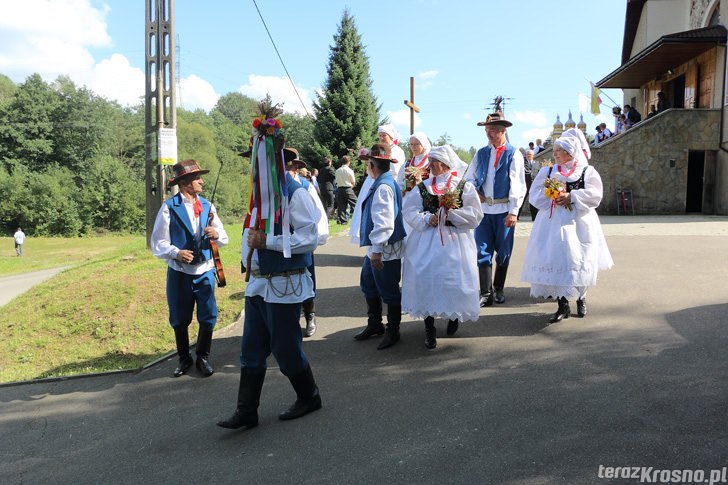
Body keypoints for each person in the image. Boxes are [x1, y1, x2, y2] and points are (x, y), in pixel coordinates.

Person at [217, 121, 322, 430]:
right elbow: (249, 235)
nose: (254, 165)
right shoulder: (258, 196)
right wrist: (247, 261)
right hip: (260, 284)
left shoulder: (294, 192)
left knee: (286, 349)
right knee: (251, 348)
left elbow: (311, 238)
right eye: (252, 159)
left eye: (258, 158)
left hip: (285, 283)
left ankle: (310, 396)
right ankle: (247, 410)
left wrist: (270, 243)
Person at [521, 128, 614, 324]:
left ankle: (581, 297)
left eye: (558, 151)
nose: (554, 154)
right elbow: (535, 194)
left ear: (570, 152)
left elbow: (595, 195)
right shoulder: (548, 171)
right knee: (557, 259)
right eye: (554, 150)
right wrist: (552, 197)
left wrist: (572, 196)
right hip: (552, 223)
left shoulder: (587, 171)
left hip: (579, 223)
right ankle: (562, 304)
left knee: (578, 258)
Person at [151, 159, 229, 378]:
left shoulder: (207, 206)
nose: (201, 182)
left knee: (208, 314)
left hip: (204, 270)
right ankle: (184, 358)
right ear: (185, 183)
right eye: (197, 179)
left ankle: (203, 357)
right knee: (179, 316)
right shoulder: (169, 208)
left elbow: (222, 235)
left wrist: (216, 235)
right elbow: (158, 241)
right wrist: (176, 253)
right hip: (180, 273)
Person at [401, 145, 483, 349]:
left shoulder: (463, 187)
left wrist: (452, 215)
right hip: (426, 242)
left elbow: (475, 215)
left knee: (453, 279)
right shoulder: (422, 187)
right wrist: (427, 218)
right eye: (432, 163)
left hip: (455, 242)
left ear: (447, 165)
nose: (435, 167)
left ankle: (453, 315)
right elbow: (409, 211)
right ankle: (429, 328)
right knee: (427, 280)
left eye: (438, 164)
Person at [464, 111, 526, 307]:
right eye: (487, 130)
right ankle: (485, 292)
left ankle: (498, 288)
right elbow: (469, 177)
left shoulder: (513, 153)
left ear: (503, 131)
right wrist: (474, 189)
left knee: (504, 251)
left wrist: (514, 211)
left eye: (492, 130)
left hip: (504, 209)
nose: (488, 134)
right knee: (482, 250)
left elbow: (518, 183)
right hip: (483, 210)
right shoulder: (481, 153)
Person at [352, 142, 406, 350]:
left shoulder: (383, 187)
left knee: (389, 290)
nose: (367, 168)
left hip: (383, 249)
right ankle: (375, 324)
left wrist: (376, 251)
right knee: (368, 284)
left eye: (368, 164)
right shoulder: (382, 182)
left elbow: (385, 223)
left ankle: (393, 330)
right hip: (376, 248)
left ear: (373, 165)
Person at [285, 149, 329, 338]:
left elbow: (317, 214)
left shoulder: (304, 187)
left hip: (300, 242)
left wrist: (317, 238)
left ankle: (310, 315)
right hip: (282, 245)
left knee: (307, 280)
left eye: (293, 167)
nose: (292, 170)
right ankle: (290, 321)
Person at [349, 123, 406, 245]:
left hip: (387, 181)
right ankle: (370, 241)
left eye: (384, 135)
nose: (381, 138)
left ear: (391, 136)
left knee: (382, 214)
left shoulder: (397, 151)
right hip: (372, 181)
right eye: (380, 135)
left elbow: (396, 169)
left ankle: (379, 244)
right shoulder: (378, 150)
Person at [334, 155, 358, 224]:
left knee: (341, 205)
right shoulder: (349, 170)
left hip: (340, 188)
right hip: (348, 188)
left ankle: (343, 220)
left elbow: (336, 181)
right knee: (355, 203)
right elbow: (353, 182)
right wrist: (351, 187)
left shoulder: (337, 170)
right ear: (349, 162)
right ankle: (358, 216)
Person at [521, 149, 539, 221]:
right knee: (522, 200)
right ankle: (517, 215)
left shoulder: (537, 163)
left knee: (533, 201)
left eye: (530, 155)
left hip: (534, 185)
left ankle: (534, 217)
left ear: (533, 156)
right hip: (526, 184)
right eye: (527, 154)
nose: (529, 156)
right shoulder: (523, 163)